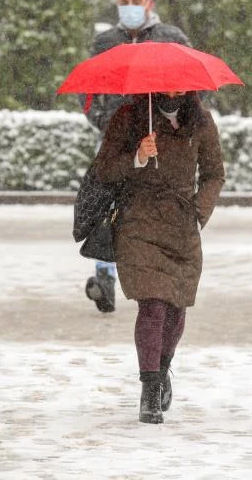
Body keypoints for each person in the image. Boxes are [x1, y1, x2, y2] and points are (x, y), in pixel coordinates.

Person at [92, 89, 225, 424]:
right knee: (153, 305)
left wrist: (199, 210)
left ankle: (162, 369)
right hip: (139, 221)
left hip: (182, 226)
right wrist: (137, 157)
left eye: (181, 86)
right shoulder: (130, 116)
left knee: (176, 311)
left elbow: (214, 174)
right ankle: (149, 391)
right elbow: (104, 169)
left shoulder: (201, 121)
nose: (175, 91)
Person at [81, 0, 191, 313]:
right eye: (124, 2)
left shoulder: (170, 39)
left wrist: (177, 125)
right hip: (116, 141)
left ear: (149, 3)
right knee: (109, 206)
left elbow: (189, 89)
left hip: (159, 140)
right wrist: (104, 120)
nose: (129, 8)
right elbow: (88, 94)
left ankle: (158, 278)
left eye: (135, 1)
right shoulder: (105, 42)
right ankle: (105, 277)